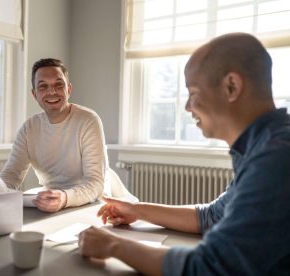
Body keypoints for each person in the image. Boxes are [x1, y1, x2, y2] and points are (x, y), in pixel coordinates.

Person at [78, 33, 290, 275]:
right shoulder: (263, 147)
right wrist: (137, 210)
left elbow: (209, 268)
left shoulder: (276, 159)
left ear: (231, 86)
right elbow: (211, 216)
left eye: (193, 93)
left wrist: (113, 244)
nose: (188, 107)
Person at [0, 58, 108, 213]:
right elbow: (11, 174)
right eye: (43, 86)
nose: (52, 91)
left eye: (58, 84)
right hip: (50, 202)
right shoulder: (29, 128)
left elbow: (95, 183)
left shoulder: (88, 120)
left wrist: (64, 197)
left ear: (68, 89)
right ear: (34, 94)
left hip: (90, 202)